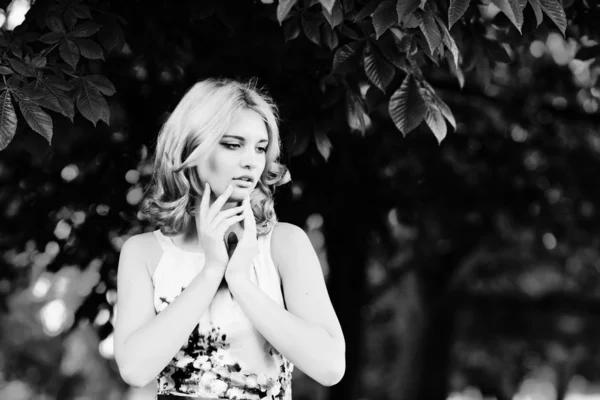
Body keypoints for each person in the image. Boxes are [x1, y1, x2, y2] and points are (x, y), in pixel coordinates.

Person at [113, 78, 346, 400]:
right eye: (233, 144)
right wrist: (211, 271)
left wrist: (239, 279)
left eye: (261, 148)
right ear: (191, 149)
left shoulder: (285, 243)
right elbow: (135, 370)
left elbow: (330, 366)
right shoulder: (143, 253)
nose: (252, 161)